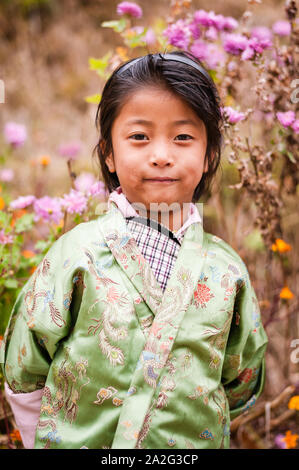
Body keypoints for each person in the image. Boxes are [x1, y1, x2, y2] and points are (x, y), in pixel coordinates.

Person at [0, 51, 268, 449]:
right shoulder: (77, 254)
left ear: (210, 153)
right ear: (108, 151)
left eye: (183, 137)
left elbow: (240, 380)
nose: (161, 154)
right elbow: (24, 367)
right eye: (139, 137)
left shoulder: (226, 271)